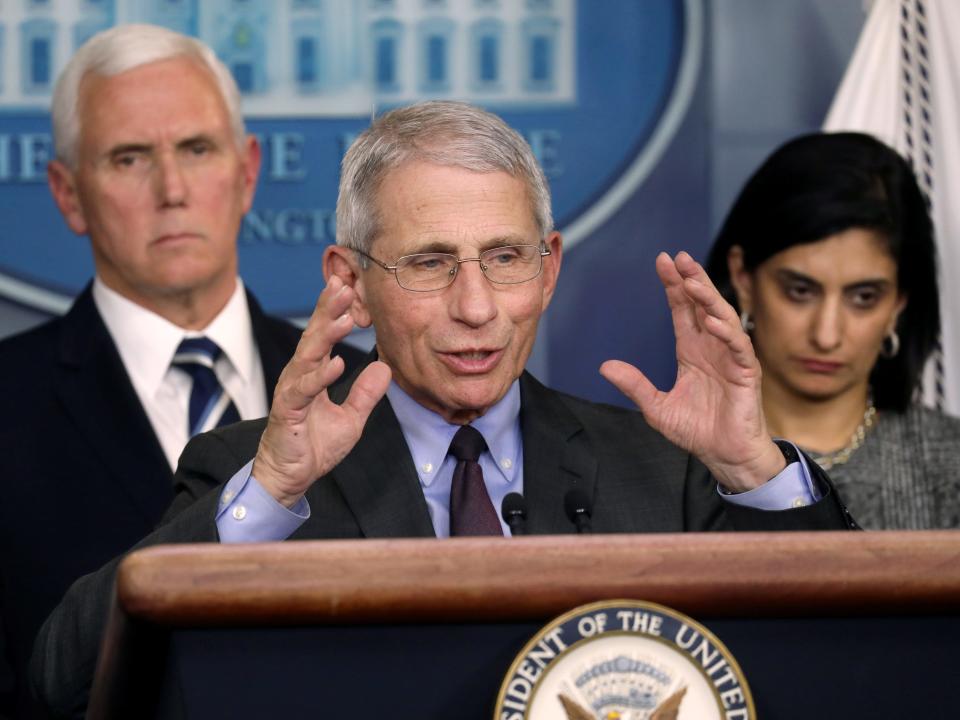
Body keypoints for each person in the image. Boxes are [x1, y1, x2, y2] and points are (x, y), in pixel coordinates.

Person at [30, 100, 855, 715]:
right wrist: (275, 489)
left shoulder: (665, 470)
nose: (476, 306)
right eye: (429, 262)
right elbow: (61, 681)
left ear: (550, 267)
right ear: (350, 281)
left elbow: (847, 667)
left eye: (504, 258)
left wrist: (752, 467)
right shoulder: (259, 481)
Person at [0, 24, 363, 717]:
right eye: (130, 158)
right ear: (68, 193)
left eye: (196, 149)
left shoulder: (365, 391)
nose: (171, 189)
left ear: (247, 170)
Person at [705, 132, 960, 529]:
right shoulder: (670, 459)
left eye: (863, 297)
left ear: (899, 303)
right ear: (743, 278)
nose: (826, 335)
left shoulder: (951, 465)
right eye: (800, 291)